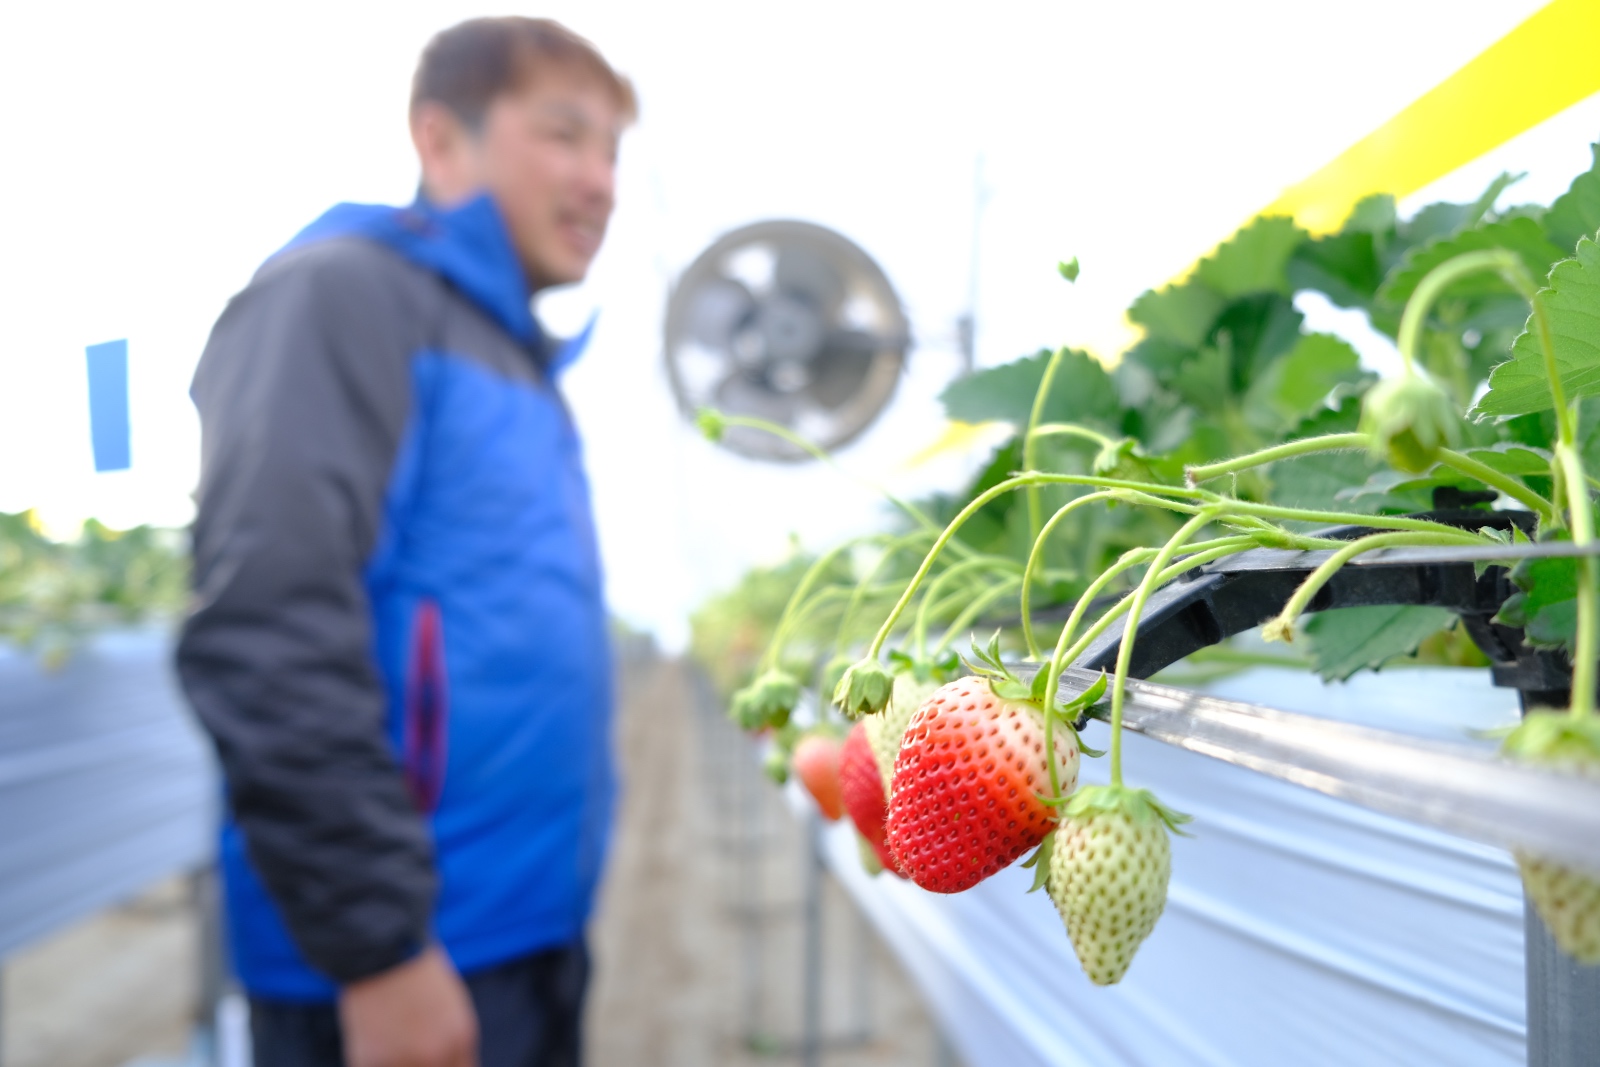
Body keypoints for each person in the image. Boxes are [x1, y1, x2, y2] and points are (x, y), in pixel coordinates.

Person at [176, 18, 634, 1067]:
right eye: (564, 135)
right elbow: (263, 630)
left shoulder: (518, 359)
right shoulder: (340, 297)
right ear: (440, 141)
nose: (599, 180)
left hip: (524, 926)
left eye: (611, 149)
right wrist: (378, 949)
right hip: (398, 961)